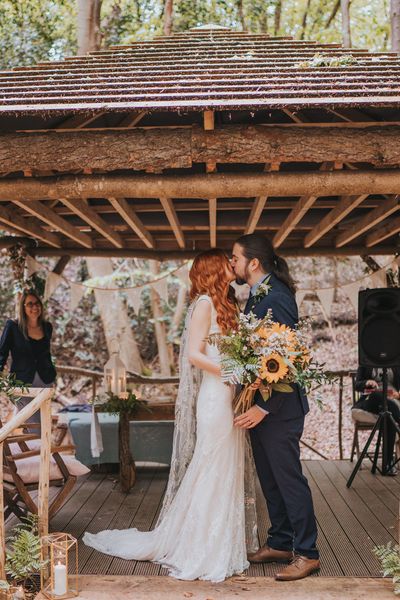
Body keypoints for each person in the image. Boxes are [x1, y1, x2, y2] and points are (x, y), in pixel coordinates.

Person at [83, 249, 258, 583]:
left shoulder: (227, 305)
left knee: (225, 468)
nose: (231, 266)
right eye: (226, 263)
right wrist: (230, 369)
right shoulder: (204, 304)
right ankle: (200, 546)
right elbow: (193, 355)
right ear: (213, 270)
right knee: (211, 467)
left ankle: (221, 542)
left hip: (229, 396)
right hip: (213, 397)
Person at [231, 233, 320, 581]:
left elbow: (288, 360)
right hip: (261, 408)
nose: (232, 264)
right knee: (270, 480)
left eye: (235, 258)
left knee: (289, 480)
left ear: (253, 263)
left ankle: (307, 552)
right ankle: (281, 541)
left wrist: (264, 408)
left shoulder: (278, 298)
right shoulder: (256, 298)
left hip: (279, 411)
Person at [0, 290, 56, 431]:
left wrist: (52, 374)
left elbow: (45, 354)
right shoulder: (13, 326)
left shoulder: (47, 327)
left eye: (37, 303)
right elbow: (2, 353)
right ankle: (36, 449)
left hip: (45, 379)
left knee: (40, 420)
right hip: (21, 381)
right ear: (23, 307)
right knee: (32, 422)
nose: (34, 307)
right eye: (30, 304)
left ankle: (20, 448)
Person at [353, 366, 400, 475]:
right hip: (372, 398)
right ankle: (388, 462)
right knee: (379, 396)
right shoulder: (366, 362)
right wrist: (366, 382)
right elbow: (357, 385)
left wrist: (398, 394)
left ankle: (387, 463)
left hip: (392, 399)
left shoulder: (396, 362)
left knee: (388, 415)